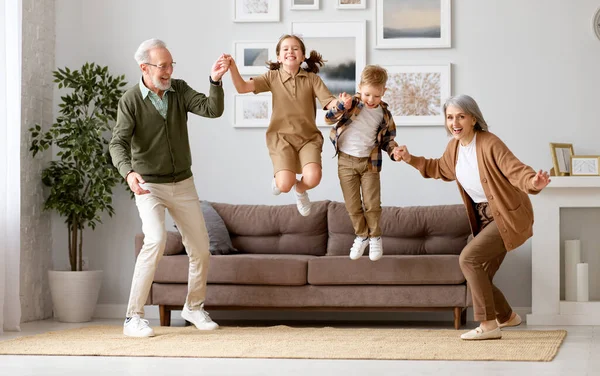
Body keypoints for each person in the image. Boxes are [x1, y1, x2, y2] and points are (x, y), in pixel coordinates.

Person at [394, 94, 550, 340]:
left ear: (473, 119)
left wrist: (533, 182)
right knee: (480, 275)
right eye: (449, 117)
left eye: (461, 116)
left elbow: (515, 169)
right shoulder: (454, 147)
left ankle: (488, 326)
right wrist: (409, 158)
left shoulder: (489, 143)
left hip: (506, 216)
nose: (454, 122)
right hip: (484, 218)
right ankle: (508, 316)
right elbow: (439, 168)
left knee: (468, 259)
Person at [109, 38, 229, 337]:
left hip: (183, 184)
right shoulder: (131, 101)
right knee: (156, 240)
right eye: (163, 66)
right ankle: (133, 318)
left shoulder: (179, 90)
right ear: (145, 68)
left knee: (201, 249)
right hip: (149, 185)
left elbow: (212, 110)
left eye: (171, 64)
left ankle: (194, 307)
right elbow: (118, 143)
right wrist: (129, 173)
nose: (168, 71)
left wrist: (214, 81)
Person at [226, 34, 339, 216]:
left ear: (302, 56)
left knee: (313, 177)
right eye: (285, 49)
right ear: (279, 57)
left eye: (295, 48)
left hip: (308, 138)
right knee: (284, 185)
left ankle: (300, 191)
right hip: (281, 138)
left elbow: (329, 102)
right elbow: (242, 88)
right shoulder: (272, 77)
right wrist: (232, 68)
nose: (290, 52)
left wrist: (342, 103)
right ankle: (280, 179)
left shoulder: (312, 79)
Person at [325, 65, 401, 261]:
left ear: (384, 91)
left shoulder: (384, 114)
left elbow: (388, 140)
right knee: (352, 206)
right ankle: (361, 236)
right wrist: (341, 105)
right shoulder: (350, 103)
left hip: (370, 163)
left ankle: (375, 237)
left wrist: (394, 151)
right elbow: (328, 118)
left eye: (376, 96)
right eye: (367, 94)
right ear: (360, 87)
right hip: (345, 162)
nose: (371, 100)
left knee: (372, 204)